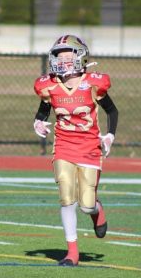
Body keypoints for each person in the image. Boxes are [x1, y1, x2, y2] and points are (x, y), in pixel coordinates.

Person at [33, 34, 119, 266]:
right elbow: (43, 109)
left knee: (86, 204)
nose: (62, 60)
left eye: (67, 55)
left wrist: (110, 136)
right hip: (63, 145)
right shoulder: (49, 85)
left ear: (80, 56)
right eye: (58, 56)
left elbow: (112, 111)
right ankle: (72, 252)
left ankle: (96, 211)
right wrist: (38, 122)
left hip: (90, 146)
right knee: (66, 198)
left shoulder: (93, 83)